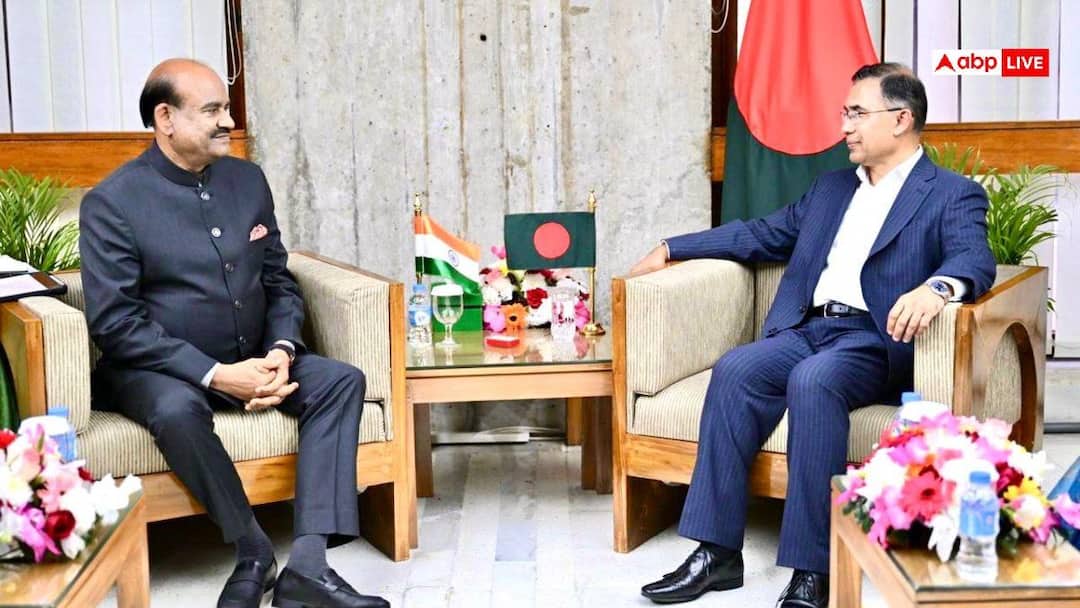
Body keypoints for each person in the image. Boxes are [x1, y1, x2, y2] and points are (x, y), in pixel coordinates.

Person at [632, 63, 996, 607]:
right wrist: (672, 247)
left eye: (857, 113)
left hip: (873, 339)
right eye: (845, 113)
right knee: (736, 369)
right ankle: (717, 553)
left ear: (901, 119)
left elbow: (974, 258)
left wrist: (937, 288)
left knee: (814, 380)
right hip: (808, 327)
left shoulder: (950, 193)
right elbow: (762, 234)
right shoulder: (830, 189)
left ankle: (814, 570)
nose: (844, 126)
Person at [80, 59, 389, 608]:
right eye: (212, 110)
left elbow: (278, 278)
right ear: (166, 118)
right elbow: (116, 322)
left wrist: (281, 350)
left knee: (342, 381)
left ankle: (309, 567)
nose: (227, 120)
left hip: (255, 355)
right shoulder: (113, 202)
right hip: (161, 370)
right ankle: (252, 550)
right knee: (176, 410)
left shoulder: (248, 180)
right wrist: (218, 375)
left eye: (226, 108)